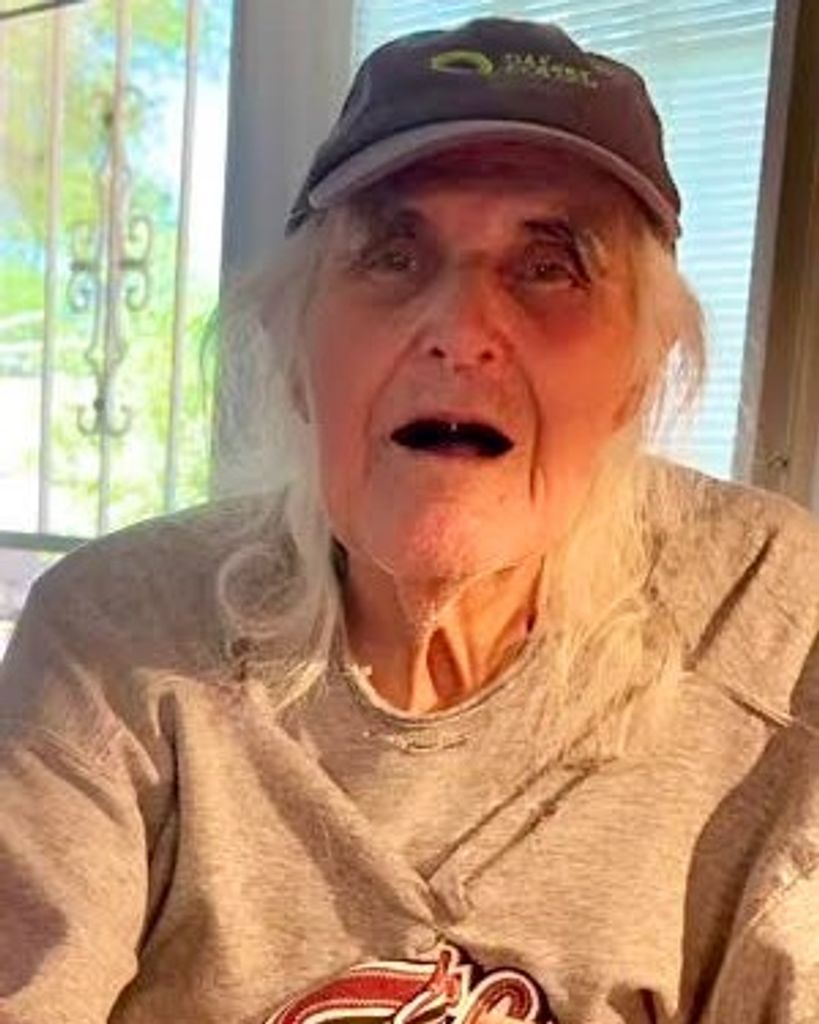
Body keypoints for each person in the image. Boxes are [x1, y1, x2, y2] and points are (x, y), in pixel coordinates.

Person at [1, 16, 819, 1024]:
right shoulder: (113, 641)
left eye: (551, 264)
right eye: (392, 254)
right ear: (295, 355)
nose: (462, 330)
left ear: (637, 382)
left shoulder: (768, 623)